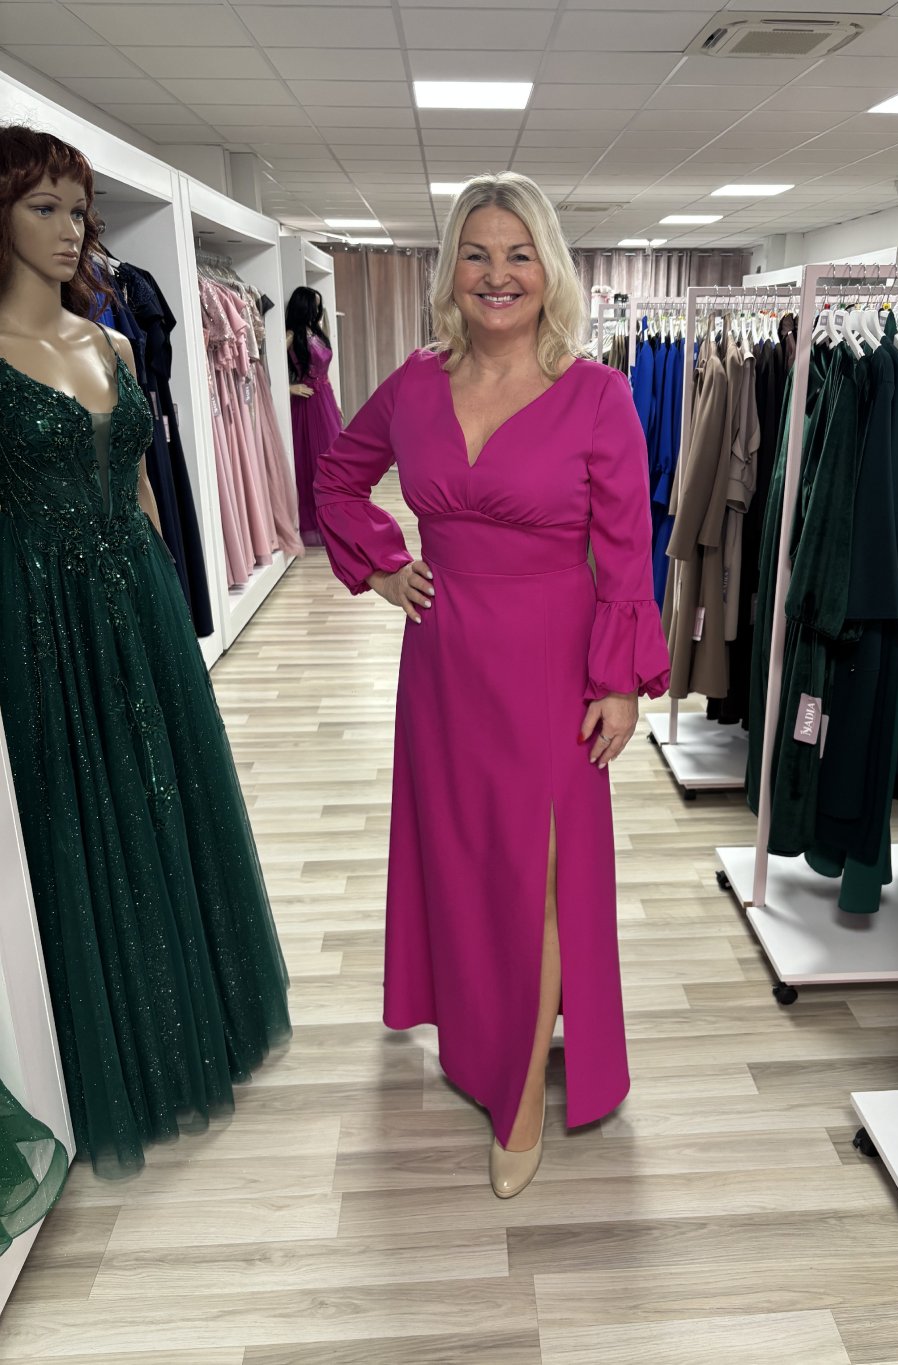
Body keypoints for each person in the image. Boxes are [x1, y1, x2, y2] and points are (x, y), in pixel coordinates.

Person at [315, 172, 669, 1198]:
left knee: (543, 875)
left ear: (548, 269)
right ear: (452, 271)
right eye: (477, 253)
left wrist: (619, 682)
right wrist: (385, 565)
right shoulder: (415, 383)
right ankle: (482, 1034)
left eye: (519, 254)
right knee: (465, 862)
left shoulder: (596, 393)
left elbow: (627, 549)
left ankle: (517, 1096)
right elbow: (337, 473)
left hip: (552, 662)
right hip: (443, 661)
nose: (497, 274)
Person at [0, 125, 291, 1177]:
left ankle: (198, 1019)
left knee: (166, 801)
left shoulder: (113, 346)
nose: (69, 228)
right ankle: (110, 1054)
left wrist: (172, 606)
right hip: (43, 619)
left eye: (78, 210)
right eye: (43, 206)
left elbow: (137, 493)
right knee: (81, 820)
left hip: (141, 602)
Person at [287, 285, 343, 547]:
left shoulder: (316, 332)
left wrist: (335, 402)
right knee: (312, 462)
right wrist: (289, 388)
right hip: (308, 404)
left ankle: (336, 521)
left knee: (333, 461)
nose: (318, 311)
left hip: (325, 400)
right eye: (315, 306)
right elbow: (265, 367)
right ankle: (316, 523)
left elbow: (325, 371)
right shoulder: (291, 336)